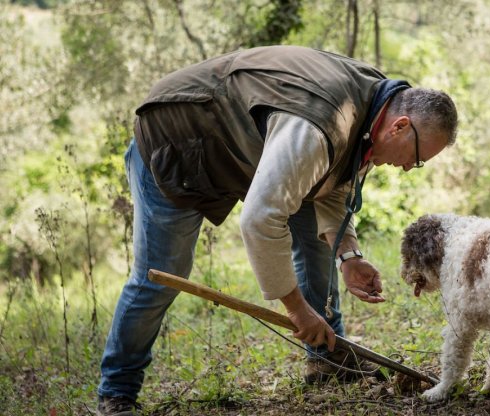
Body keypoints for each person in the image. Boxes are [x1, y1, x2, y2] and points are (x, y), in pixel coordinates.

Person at [96, 45, 458, 416]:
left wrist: (348, 254)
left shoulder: (376, 108)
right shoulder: (317, 125)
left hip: (246, 149)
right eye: (416, 159)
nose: (409, 168)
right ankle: (116, 392)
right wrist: (297, 310)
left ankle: (327, 360)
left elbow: (335, 183)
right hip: (176, 138)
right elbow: (259, 220)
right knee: (159, 276)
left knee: (318, 242)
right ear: (400, 127)